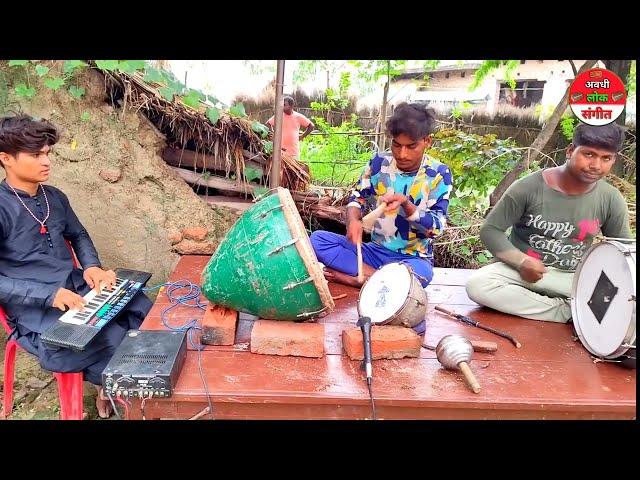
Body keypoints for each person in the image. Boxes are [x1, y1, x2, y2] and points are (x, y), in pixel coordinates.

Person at [0, 114, 152, 418]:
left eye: (47, 153)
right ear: (6, 159)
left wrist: (92, 267)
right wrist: (49, 296)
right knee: (105, 336)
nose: (46, 161)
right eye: (35, 154)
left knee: (139, 307)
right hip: (33, 307)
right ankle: (123, 392)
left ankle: (132, 384)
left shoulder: (54, 197)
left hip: (75, 287)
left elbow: (78, 234)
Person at [465, 122, 632, 323]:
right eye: (589, 154)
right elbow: (491, 230)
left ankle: (573, 308)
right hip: (522, 273)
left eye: (606, 158)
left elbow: (624, 249)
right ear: (570, 151)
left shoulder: (611, 199)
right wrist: (521, 261)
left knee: (622, 301)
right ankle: (569, 313)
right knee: (479, 285)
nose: (596, 165)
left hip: (573, 278)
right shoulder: (528, 188)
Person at [310, 103, 453, 334]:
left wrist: (407, 205)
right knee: (317, 240)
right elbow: (357, 198)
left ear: (427, 141)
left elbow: (436, 229)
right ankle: (378, 280)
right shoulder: (378, 163)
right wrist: (354, 221)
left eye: (411, 146)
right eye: (396, 145)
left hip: (413, 259)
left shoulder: (438, 174)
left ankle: (359, 278)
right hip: (374, 254)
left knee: (422, 276)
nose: (402, 154)